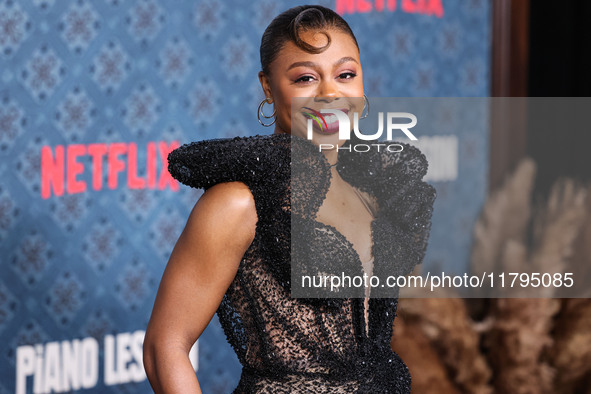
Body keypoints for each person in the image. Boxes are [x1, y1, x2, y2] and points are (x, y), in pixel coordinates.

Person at [143, 5, 436, 393]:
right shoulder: (240, 203)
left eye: (346, 74)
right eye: (305, 78)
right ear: (268, 87)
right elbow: (164, 346)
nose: (331, 94)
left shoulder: (376, 188)